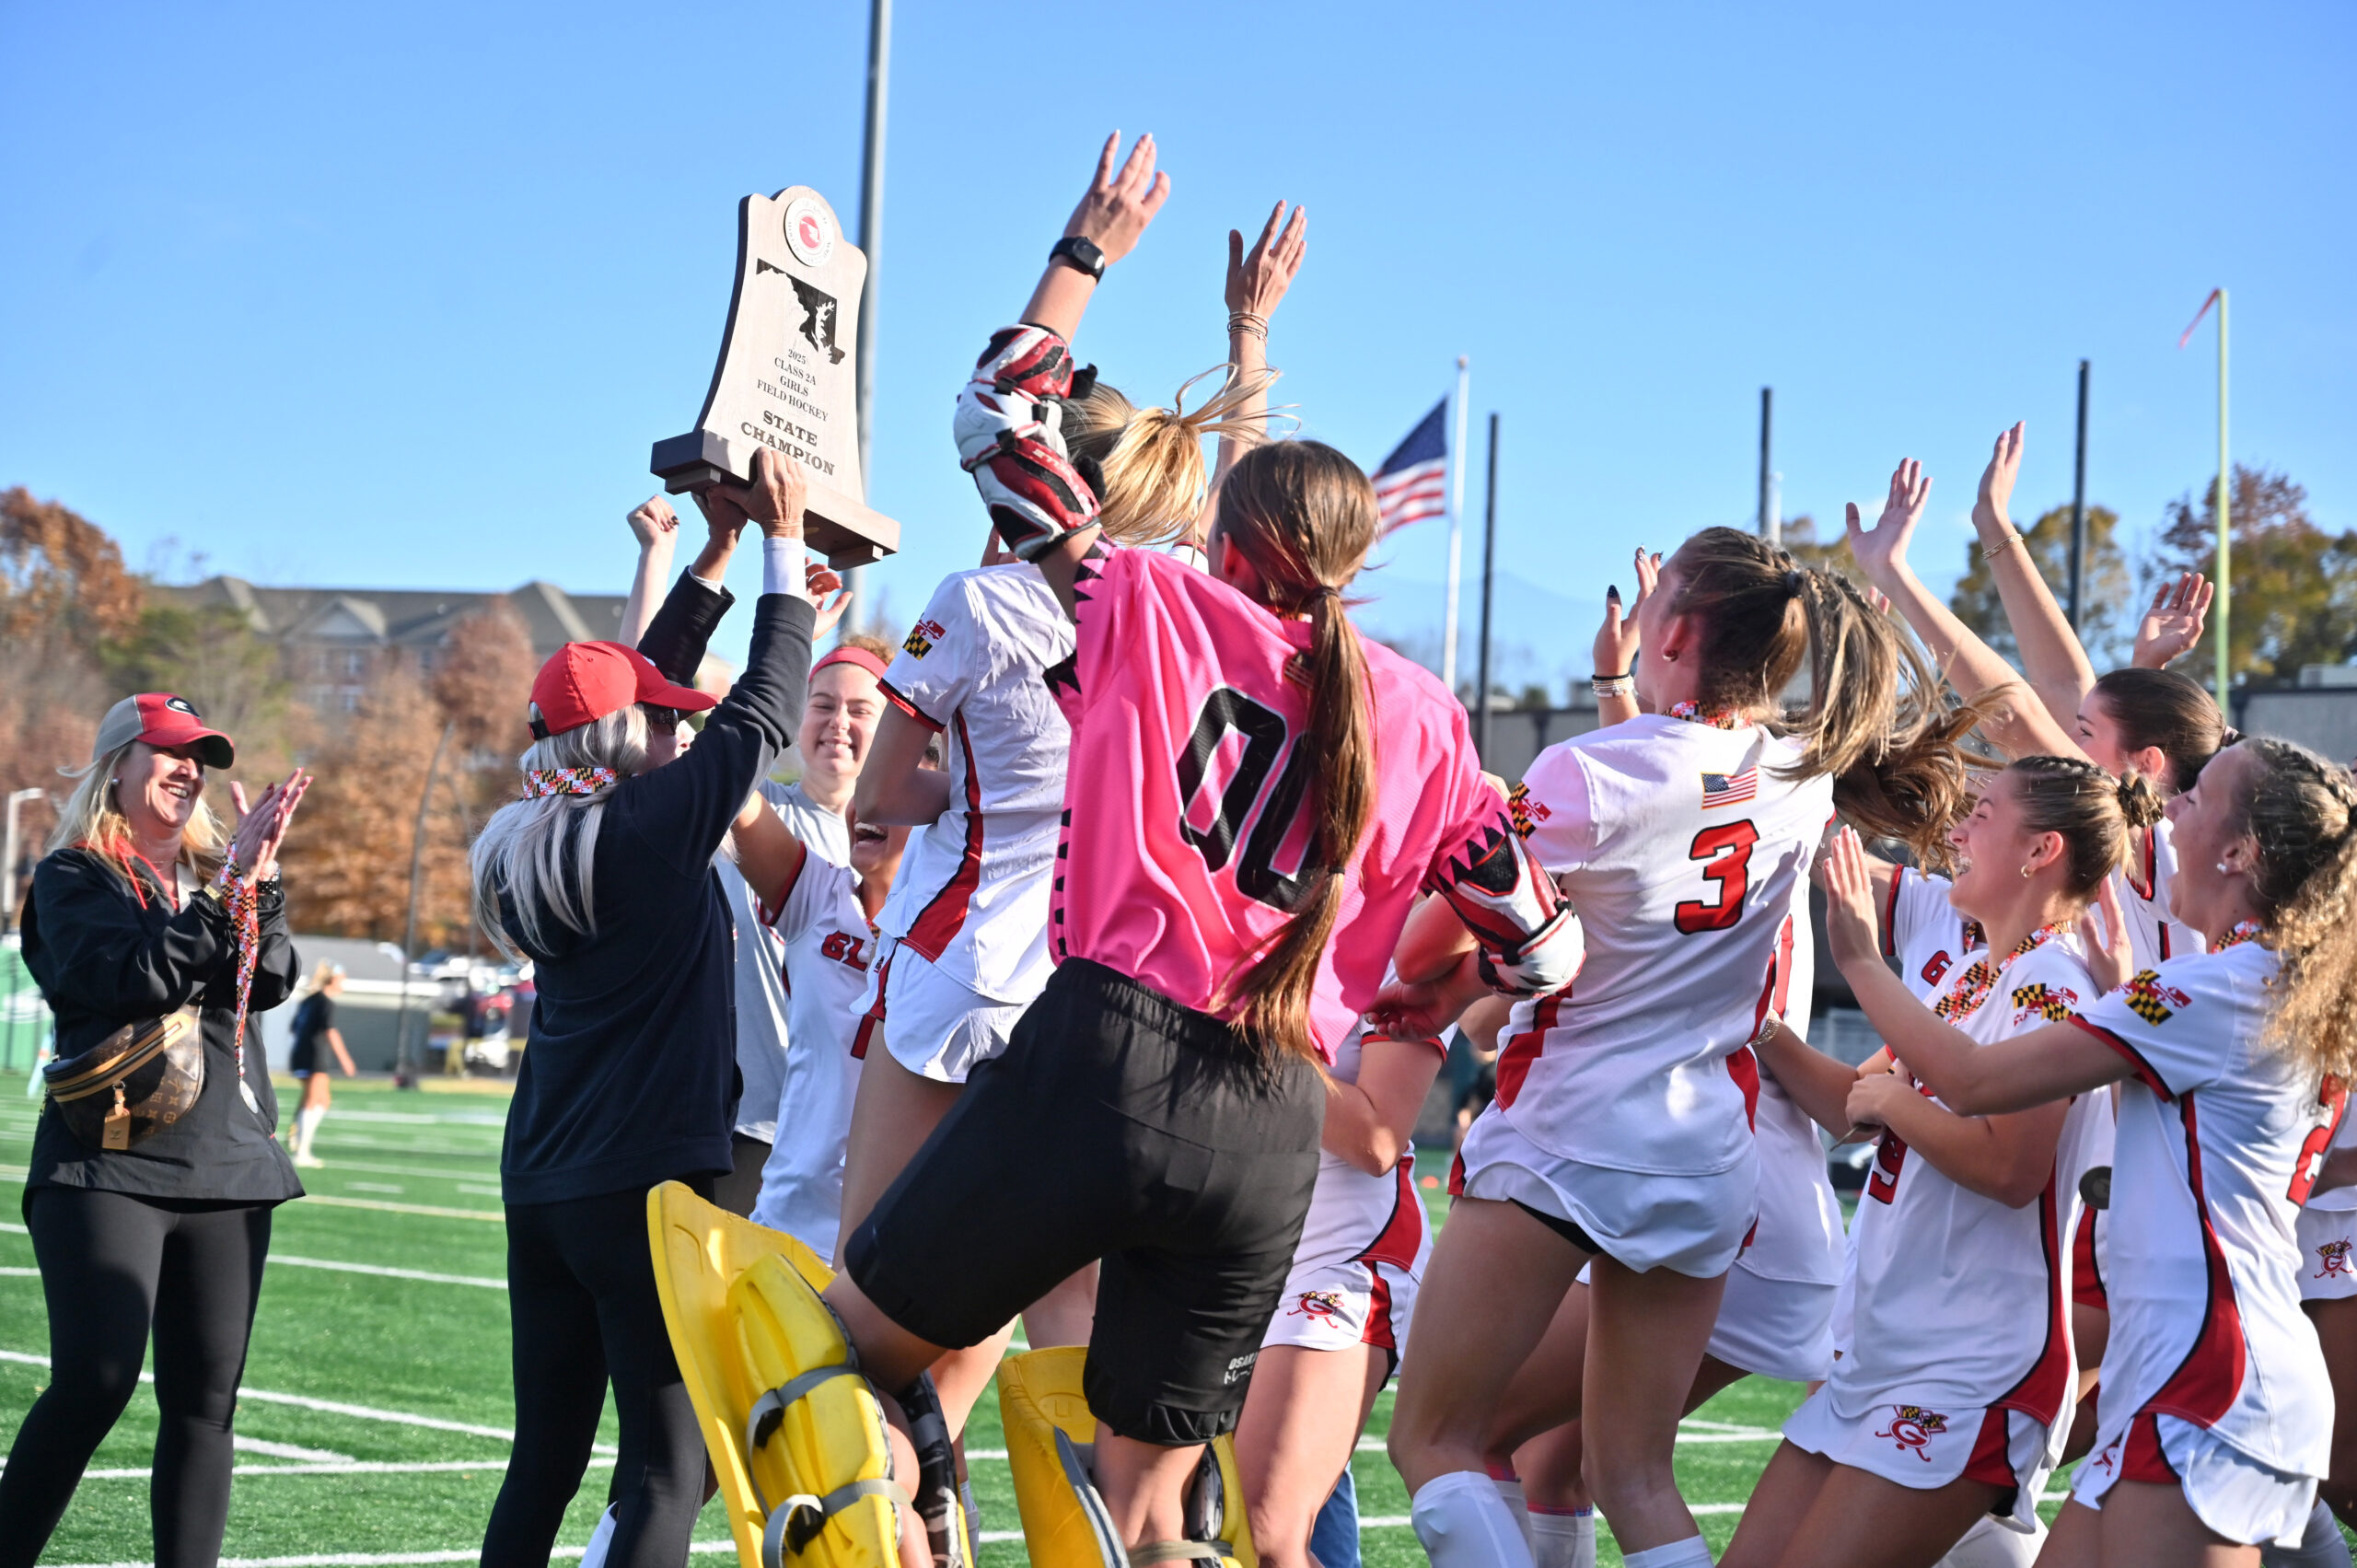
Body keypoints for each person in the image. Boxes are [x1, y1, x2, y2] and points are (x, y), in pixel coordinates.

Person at [815, 128, 1579, 1562]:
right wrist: (1433, 991)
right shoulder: (1421, 710)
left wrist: (1086, 252)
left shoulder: (1148, 602)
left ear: (1222, 537)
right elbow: (1546, 944)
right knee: (1157, 1514)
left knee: (860, 1348)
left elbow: (997, 409)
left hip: (1110, 1044)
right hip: (1275, 1113)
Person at [1377, 500, 1980, 1568]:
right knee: (1635, 1474)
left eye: (1653, 601)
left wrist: (1444, 971)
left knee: (1435, 1436)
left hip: (1566, 1131)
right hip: (1704, 1151)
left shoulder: (1592, 770)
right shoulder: (1797, 774)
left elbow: (1434, 936)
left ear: (1671, 633)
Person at [840, 144, 1307, 1434]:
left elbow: (890, 800)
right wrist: (1248, 331)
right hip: (1114, 1003)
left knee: (871, 1324)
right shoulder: (1208, 620)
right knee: (1070, 1360)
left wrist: (1083, 249)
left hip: (963, 961)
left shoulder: (1010, 595)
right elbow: (1254, 507)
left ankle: (915, 1501)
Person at [1817, 738, 2357, 1566]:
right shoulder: (2262, 985)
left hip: (2211, 1367)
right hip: (2183, 1364)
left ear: (2240, 850)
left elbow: (1971, 1079)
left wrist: (1858, 958)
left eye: (2197, 799)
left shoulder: (2212, 989)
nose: (2170, 810)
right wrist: (2130, 984)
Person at [470, 448, 814, 1568]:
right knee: (666, 1466)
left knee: (544, 1457)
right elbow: (764, 703)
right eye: (660, 727)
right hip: (646, 1184)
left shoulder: (543, 832)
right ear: (628, 746)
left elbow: (632, 683)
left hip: (543, 1180)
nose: (677, 733)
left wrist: (708, 554)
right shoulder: (646, 826)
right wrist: (781, 546)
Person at [1723, 757, 2154, 1568]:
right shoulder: (1967, 974)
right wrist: (1757, 1025)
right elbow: (1854, 1102)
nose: (1957, 830)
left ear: (2040, 851)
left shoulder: (2051, 983)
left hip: (1970, 1363)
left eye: (1983, 814)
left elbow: (2010, 1169)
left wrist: (1872, 1009)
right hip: (1884, 1350)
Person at [0, 693, 308, 1568]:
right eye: (170, 752)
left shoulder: (221, 871)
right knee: (95, 1381)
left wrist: (261, 884)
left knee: (206, 1404)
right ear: (117, 768)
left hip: (230, 1164)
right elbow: (129, 975)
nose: (189, 770)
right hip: (108, 1167)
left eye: (198, 758)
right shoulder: (74, 875)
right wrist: (221, 893)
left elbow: (273, 975)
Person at [615, 489, 853, 1216]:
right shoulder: (755, 815)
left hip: (854, 1138)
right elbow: (637, 710)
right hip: (745, 1129)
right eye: (821, 702)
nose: (838, 723)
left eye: (862, 708)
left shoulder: (908, 841)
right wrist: (660, 560)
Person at [1235, 1005, 1446, 1568]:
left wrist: (1240, 1026)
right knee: (1197, 1510)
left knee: (1265, 1530)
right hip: (1228, 1242)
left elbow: (1375, 1140)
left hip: (1341, 1250)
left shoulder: (1395, 937)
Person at [738, 638, 921, 1264]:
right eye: (862, 793)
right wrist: (783, 606)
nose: (867, 805)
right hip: (787, 1227)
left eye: (890, 790)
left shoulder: (963, 929)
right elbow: (732, 788)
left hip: (897, 1242)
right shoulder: (818, 893)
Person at [285, 961, 355, 1167]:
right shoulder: (326, 1002)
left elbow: (294, 1028)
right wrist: (346, 1060)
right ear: (333, 979)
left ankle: (298, 1138)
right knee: (314, 1101)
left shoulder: (309, 1001)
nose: (344, 982)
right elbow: (330, 1031)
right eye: (342, 978)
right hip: (314, 1056)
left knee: (322, 1100)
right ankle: (302, 1151)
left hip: (300, 1054)